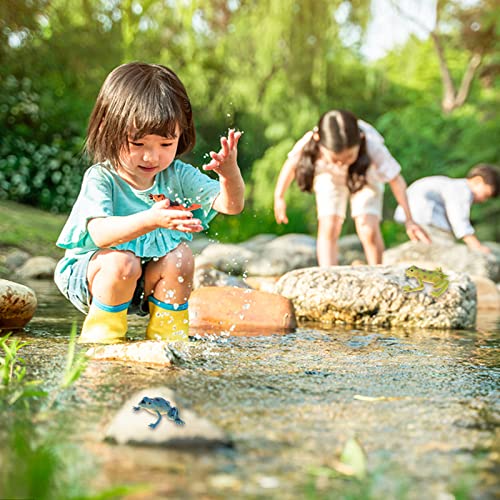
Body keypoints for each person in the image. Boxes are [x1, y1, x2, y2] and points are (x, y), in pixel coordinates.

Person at [54, 62, 245, 344]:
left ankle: (168, 340)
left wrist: (230, 174)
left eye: (166, 145)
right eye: (138, 143)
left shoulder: (177, 175)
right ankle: (102, 341)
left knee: (181, 257)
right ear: (109, 129)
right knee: (122, 261)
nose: (152, 157)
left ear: (181, 134)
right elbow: (100, 233)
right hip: (96, 276)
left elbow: (230, 205)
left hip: (142, 281)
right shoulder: (102, 177)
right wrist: (151, 219)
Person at [274, 109, 430, 266]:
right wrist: (279, 196)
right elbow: (290, 165)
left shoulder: (370, 142)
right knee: (329, 224)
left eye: (349, 156)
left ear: (360, 139)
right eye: (335, 158)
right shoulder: (311, 141)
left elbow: (396, 180)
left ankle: (377, 270)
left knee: (367, 226)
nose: (342, 163)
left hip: (364, 174)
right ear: (318, 140)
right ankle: (328, 274)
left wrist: (410, 220)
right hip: (329, 176)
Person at [394, 164, 499, 253]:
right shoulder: (462, 189)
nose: (483, 200)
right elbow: (458, 219)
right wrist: (475, 245)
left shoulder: (451, 184)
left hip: (411, 213)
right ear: (477, 181)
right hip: (424, 214)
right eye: (485, 195)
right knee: (444, 246)